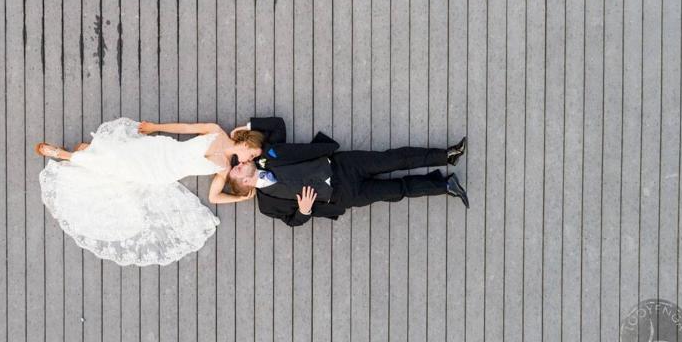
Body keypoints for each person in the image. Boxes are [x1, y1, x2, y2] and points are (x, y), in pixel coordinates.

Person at [35, 117, 263, 266]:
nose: (251, 159)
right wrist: (155, 127)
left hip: (162, 172)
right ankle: (80, 153)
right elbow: (185, 128)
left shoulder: (223, 169)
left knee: (120, 168)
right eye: (253, 154)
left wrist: (239, 197)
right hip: (161, 150)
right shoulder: (216, 131)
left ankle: (69, 155)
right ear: (246, 144)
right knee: (122, 156)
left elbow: (214, 197)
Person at [222, 116, 467, 226]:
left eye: (238, 162)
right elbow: (292, 221)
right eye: (238, 168)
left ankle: (446, 156)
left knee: (393, 159)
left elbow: (277, 125)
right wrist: (304, 211)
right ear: (243, 183)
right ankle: (445, 186)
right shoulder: (267, 204)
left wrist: (242, 132)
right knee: (397, 190)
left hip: (343, 165)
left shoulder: (266, 155)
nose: (240, 163)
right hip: (344, 195)